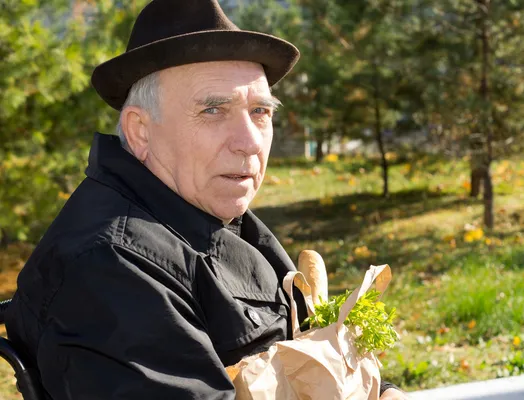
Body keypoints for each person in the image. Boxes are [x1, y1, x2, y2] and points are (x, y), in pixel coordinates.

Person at [6, 0, 407, 398]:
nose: (251, 141)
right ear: (141, 131)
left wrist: (384, 391)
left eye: (261, 111)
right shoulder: (109, 267)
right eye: (214, 109)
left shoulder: (212, 215)